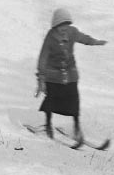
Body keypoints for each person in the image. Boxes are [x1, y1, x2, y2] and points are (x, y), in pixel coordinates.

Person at [35, 8, 107, 141]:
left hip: (70, 74)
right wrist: (41, 77)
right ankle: (48, 124)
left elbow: (83, 38)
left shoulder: (72, 32)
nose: (64, 28)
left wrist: (95, 42)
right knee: (51, 100)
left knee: (73, 100)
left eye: (66, 24)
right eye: (61, 25)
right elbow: (43, 57)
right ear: (55, 25)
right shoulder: (50, 37)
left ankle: (77, 127)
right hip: (53, 76)